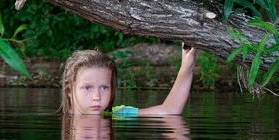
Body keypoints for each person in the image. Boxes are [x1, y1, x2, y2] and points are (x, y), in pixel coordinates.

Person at [58, 44, 197, 116]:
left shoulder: (117, 114)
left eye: (104, 87)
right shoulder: (59, 122)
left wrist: (187, 65)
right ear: (69, 89)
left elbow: (169, 111)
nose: (97, 97)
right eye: (88, 87)